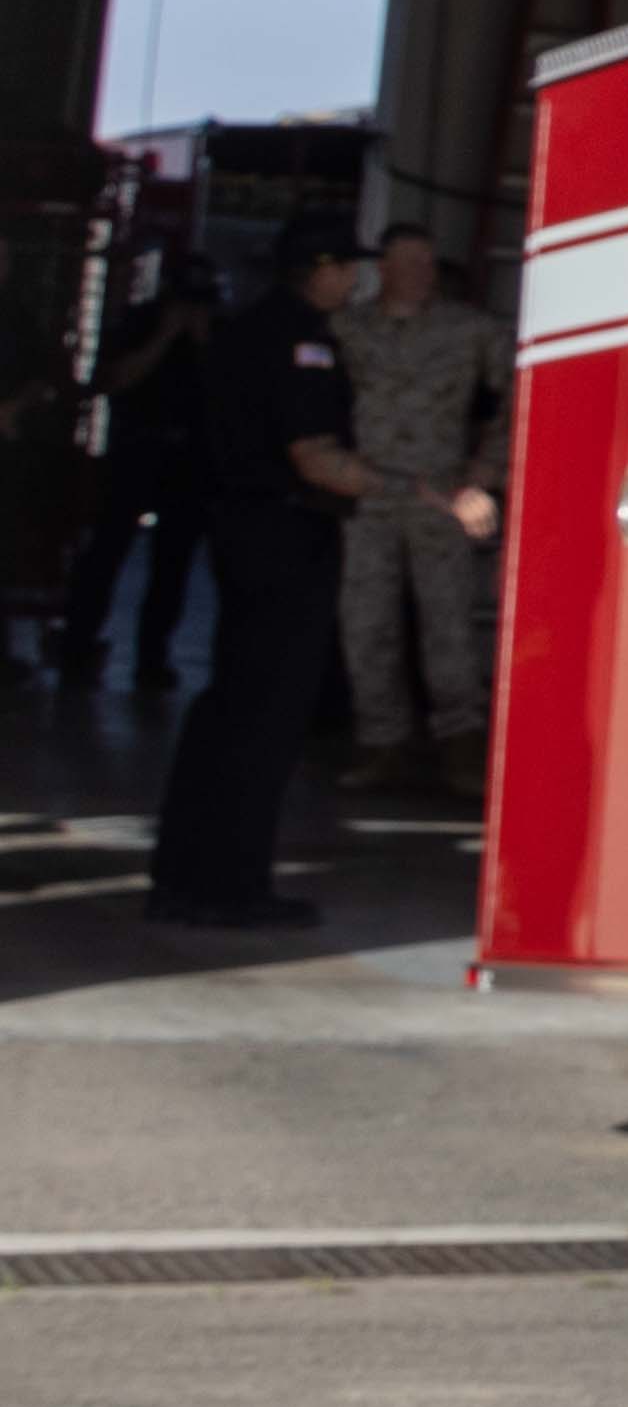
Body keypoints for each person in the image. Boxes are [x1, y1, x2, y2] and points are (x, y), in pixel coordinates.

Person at [143, 234, 362, 929]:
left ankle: (182, 876)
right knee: (265, 717)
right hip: (285, 531)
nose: (354, 276)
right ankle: (230, 885)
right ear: (320, 268)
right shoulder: (302, 340)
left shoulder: (241, 328)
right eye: (347, 263)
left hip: (240, 529)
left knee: (227, 707)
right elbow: (313, 455)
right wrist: (418, 489)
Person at [330, 228, 506, 795]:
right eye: (411, 262)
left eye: (430, 262)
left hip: (441, 497)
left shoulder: (471, 330)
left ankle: (461, 746)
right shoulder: (346, 329)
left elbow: (515, 400)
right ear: (383, 266)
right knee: (366, 624)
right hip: (367, 497)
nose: (423, 273)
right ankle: (381, 743)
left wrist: (484, 475)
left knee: (448, 625)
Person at [43, 271, 211, 695]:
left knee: (171, 566)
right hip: (136, 452)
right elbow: (112, 380)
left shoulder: (217, 334)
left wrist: (204, 339)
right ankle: (79, 645)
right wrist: (163, 336)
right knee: (105, 553)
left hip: (188, 462)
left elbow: (231, 394)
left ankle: (152, 658)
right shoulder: (139, 324)